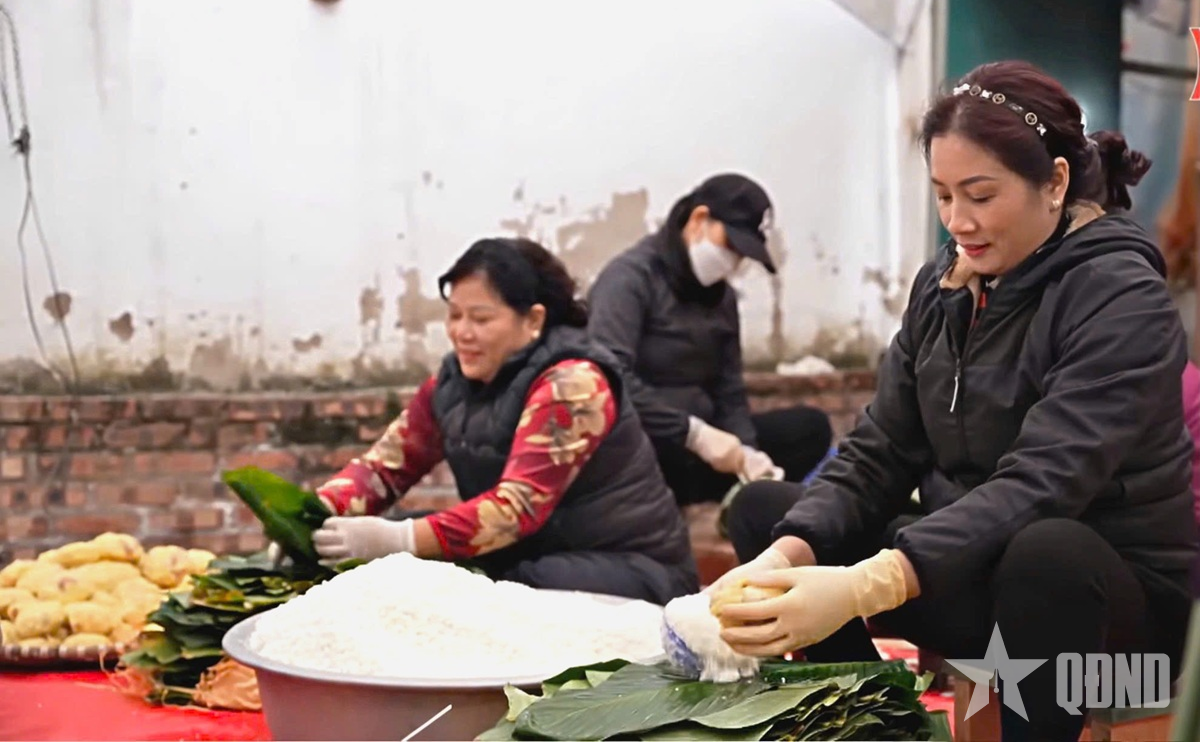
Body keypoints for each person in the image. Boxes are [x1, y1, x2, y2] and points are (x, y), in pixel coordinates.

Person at [711, 61, 1198, 741]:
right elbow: (880, 449)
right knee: (773, 515)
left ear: (1054, 182)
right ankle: (877, 731)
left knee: (1047, 552)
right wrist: (788, 557)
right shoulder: (945, 288)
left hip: (1114, 629)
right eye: (942, 196)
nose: (958, 222)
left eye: (979, 195)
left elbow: (1045, 482)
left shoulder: (1120, 296)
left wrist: (869, 584)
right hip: (980, 572)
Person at [304, 237, 699, 605]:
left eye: (480, 318)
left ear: (533, 320)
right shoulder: (449, 384)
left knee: (493, 589)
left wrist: (400, 539)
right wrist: (316, 515)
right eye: (454, 315)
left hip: (631, 571)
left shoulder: (575, 383)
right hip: (530, 553)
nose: (462, 332)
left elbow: (515, 509)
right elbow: (383, 469)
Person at [587, 173, 834, 511]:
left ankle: (741, 499)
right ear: (699, 219)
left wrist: (746, 453)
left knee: (809, 428)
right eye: (730, 246)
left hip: (707, 450)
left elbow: (728, 386)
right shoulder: (629, 280)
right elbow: (608, 380)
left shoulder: (722, 298)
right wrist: (692, 433)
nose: (733, 262)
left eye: (741, 254)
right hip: (645, 442)